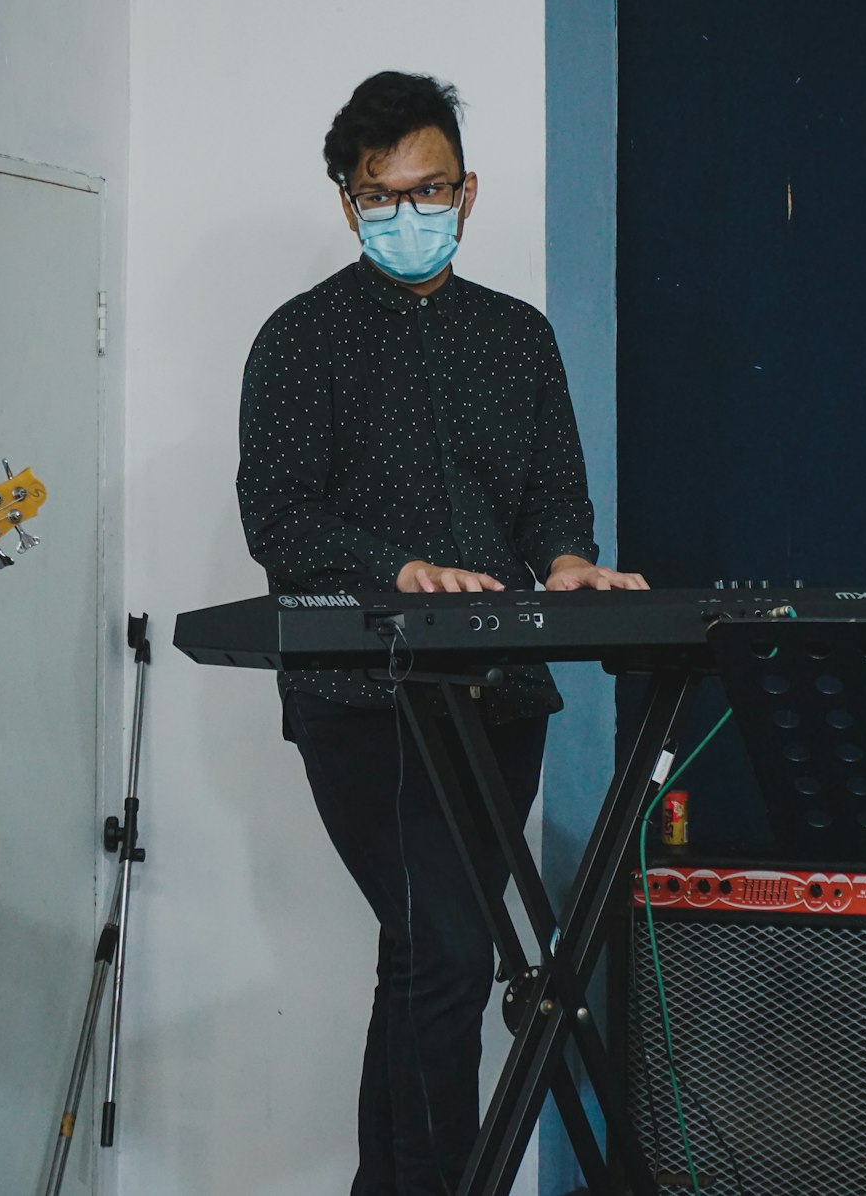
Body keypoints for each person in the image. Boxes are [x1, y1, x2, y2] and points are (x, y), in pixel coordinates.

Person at [236, 71, 646, 1196]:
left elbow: (554, 501)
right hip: (365, 705)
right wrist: (396, 568)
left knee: (426, 961)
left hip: (501, 700)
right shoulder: (302, 339)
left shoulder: (517, 339)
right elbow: (278, 515)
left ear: (467, 193)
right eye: (379, 196)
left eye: (427, 190)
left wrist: (566, 561)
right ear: (348, 203)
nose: (403, 213)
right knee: (455, 954)